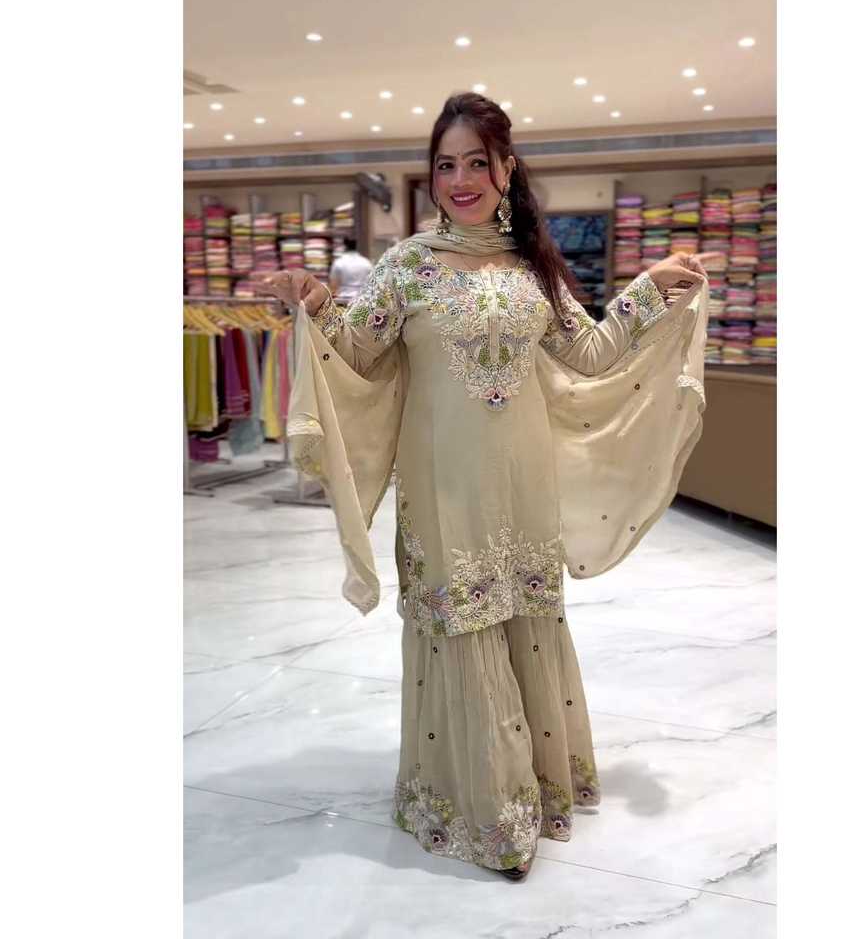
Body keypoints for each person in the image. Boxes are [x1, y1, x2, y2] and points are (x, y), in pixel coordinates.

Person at [254, 92, 713, 883]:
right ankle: (485, 809)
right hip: (443, 484)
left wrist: (650, 288)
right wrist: (317, 302)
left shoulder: (533, 266)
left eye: (477, 161)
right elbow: (357, 354)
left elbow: (591, 353)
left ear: (507, 168)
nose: (461, 179)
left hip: (523, 480)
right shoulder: (409, 266)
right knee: (461, 620)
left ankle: (535, 785)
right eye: (445, 164)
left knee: (523, 615)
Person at [328, 236, 373, 307]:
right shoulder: (366, 262)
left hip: (343, 300)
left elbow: (333, 285)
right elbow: (372, 282)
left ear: (345, 246)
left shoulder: (339, 262)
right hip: (362, 299)